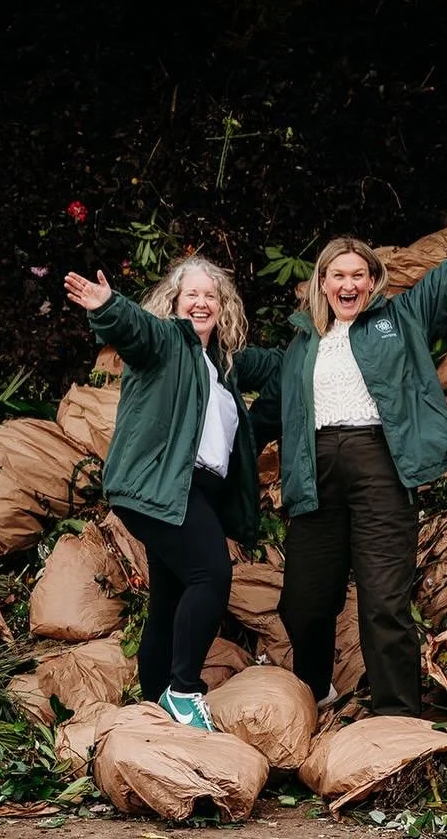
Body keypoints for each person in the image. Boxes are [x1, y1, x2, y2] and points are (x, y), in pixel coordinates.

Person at [258, 171, 447, 717]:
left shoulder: (403, 317)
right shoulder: (302, 345)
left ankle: (396, 715)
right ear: (322, 283)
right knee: (302, 602)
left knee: (384, 602)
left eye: (358, 275)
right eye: (337, 275)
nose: (348, 285)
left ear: (373, 282)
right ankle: (315, 692)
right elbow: (266, 415)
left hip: (380, 468)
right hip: (313, 474)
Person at [64, 257, 281, 731]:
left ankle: (154, 704)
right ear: (175, 302)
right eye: (192, 294)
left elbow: (281, 366)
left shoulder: (223, 366)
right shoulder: (166, 343)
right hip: (160, 485)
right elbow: (135, 329)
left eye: (211, 296)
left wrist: (322, 349)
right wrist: (108, 306)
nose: (201, 302)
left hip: (189, 492)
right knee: (211, 574)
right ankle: (184, 690)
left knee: (169, 596)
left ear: (222, 309)